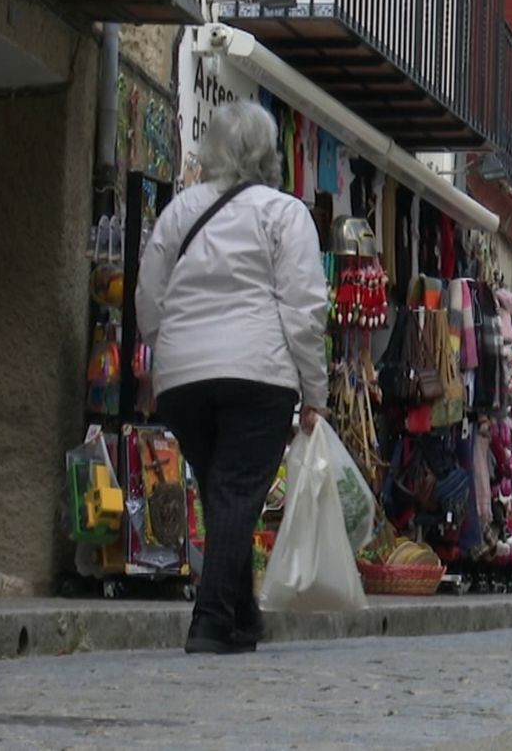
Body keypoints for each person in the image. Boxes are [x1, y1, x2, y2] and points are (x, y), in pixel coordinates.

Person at [136, 101, 329, 655]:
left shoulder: (179, 211)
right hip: (259, 373)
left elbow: (150, 295)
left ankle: (244, 616)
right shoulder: (284, 212)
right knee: (237, 491)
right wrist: (314, 391)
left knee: (222, 489)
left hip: (184, 378)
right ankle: (213, 618)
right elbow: (303, 309)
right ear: (267, 154)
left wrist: (164, 351)